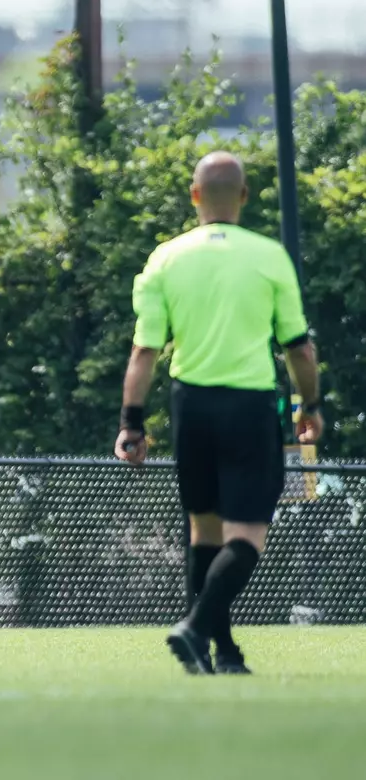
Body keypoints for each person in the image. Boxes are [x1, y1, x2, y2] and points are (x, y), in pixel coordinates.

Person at [118, 151, 322, 676]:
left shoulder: (166, 258)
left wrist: (131, 424)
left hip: (191, 405)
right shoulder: (269, 256)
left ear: (194, 195)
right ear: (245, 196)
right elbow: (299, 349)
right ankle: (195, 629)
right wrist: (310, 407)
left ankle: (221, 653)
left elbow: (144, 351)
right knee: (248, 537)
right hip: (249, 406)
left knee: (204, 533)